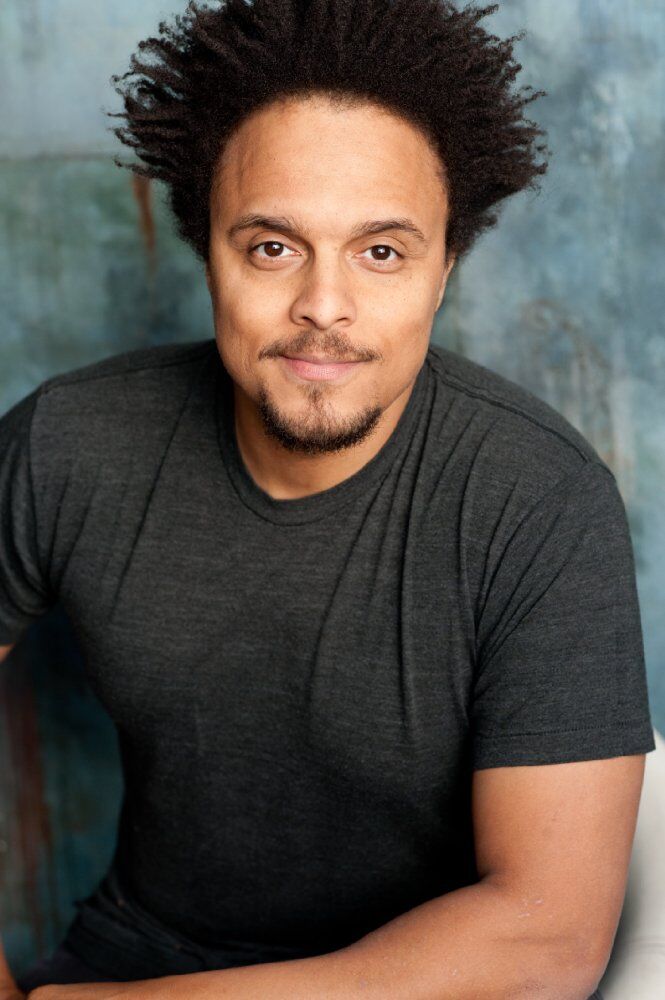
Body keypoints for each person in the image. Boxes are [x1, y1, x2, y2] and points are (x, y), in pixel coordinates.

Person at [0, 0, 654, 996]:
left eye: (380, 251)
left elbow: (545, 939)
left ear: (442, 271)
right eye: (272, 246)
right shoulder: (69, 442)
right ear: (208, 251)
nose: (323, 306)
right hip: (136, 957)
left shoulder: (539, 502)